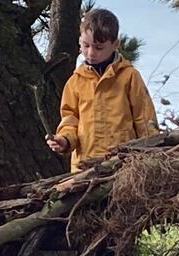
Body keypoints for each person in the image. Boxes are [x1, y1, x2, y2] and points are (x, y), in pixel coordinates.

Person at [46, 8, 158, 173]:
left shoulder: (129, 76)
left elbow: (145, 120)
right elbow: (70, 121)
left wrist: (152, 156)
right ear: (79, 41)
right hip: (84, 169)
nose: (90, 53)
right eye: (86, 45)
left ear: (115, 44)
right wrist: (64, 140)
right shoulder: (75, 82)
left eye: (99, 48)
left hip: (124, 166)